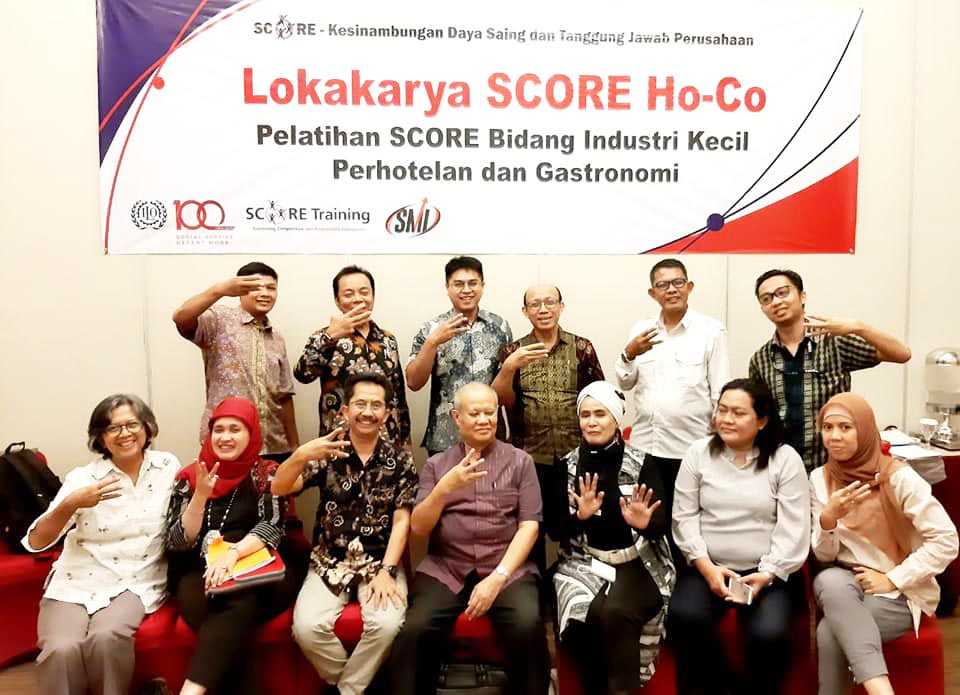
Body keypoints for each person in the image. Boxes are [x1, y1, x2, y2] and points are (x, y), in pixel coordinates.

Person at [389, 383, 550, 695]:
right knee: (415, 629)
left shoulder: (520, 462)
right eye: (474, 413)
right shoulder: (437, 465)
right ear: (456, 418)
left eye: (490, 412)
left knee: (527, 624)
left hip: (507, 568)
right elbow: (419, 528)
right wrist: (444, 489)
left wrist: (498, 578)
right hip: (447, 566)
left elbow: (529, 527)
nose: (484, 420)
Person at [271, 372, 419, 695]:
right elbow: (279, 487)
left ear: (386, 413)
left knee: (387, 625)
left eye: (376, 405)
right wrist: (300, 455)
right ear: (345, 410)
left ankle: (345, 690)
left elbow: (402, 522)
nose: (368, 412)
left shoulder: (401, 460)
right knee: (307, 628)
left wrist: (388, 570)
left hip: (379, 561)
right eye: (360, 404)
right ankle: (358, 685)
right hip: (329, 560)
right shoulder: (328, 451)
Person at [23, 394, 179, 695]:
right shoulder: (84, 478)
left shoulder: (167, 467)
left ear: (146, 427)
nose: (124, 433)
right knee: (61, 649)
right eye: (113, 428)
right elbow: (36, 541)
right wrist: (71, 503)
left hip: (134, 580)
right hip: (77, 578)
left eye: (132, 424)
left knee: (107, 638)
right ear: (100, 438)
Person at [810, 393, 958, 695]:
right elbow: (825, 554)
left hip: (901, 591)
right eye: (828, 427)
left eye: (846, 427)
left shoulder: (898, 477)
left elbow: (946, 541)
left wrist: (892, 578)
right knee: (828, 578)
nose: (834, 436)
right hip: (846, 581)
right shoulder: (819, 479)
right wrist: (828, 519)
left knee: (829, 633)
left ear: (865, 430)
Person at [670, 378, 810, 695]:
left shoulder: (784, 459)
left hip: (768, 573)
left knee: (769, 633)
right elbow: (684, 516)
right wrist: (706, 567)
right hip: (708, 567)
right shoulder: (699, 453)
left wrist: (768, 573)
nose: (727, 419)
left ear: (762, 420)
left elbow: (794, 527)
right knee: (684, 616)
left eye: (738, 412)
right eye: (722, 410)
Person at [164, 397, 301, 695]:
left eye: (235, 430)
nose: (225, 437)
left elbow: (272, 527)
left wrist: (233, 554)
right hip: (200, 572)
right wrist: (200, 497)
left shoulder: (267, 473)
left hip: (262, 567)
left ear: (251, 434)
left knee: (238, 603)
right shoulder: (190, 477)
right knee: (235, 619)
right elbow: (176, 541)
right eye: (219, 429)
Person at [550, 381, 675, 695]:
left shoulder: (643, 462)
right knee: (582, 613)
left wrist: (644, 524)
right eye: (585, 415)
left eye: (600, 414)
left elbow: (660, 525)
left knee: (615, 613)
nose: (591, 422)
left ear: (616, 418)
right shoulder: (566, 465)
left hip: (638, 561)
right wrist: (579, 517)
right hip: (582, 561)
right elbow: (555, 531)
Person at [614, 258, 729, 564]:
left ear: (689, 287)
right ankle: (654, 583)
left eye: (678, 282)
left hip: (690, 448)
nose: (672, 290)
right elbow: (625, 382)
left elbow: (720, 393)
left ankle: (688, 583)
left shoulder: (710, 331)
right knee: (650, 524)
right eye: (663, 285)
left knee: (686, 523)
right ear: (652, 293)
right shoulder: (642, 330)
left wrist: (719, 446)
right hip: (646, 448)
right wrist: (629, 353)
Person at [749, 268, 911, 471]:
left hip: (835, 467)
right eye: (766, 299)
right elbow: (760, 416)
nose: (776, 302)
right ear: (762, 308)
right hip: (784, 468)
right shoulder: (761, 359)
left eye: (782, 293)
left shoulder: (833, 341)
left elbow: (901, 354)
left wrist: (858, 327)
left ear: (802, 296)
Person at [492, 282, 604, 572]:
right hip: (529, 458)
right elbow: (499, 400)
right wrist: (509, 367)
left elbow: (599, 397)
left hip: (575, 457)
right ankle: (536, 588)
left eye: (550, 302)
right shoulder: (513, 351)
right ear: (525, 311)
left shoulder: (582, 348)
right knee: (532, 529)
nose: (543, 309)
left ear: (561, 307)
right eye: (535, 304)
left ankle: (577, 582)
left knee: (579, 525)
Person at [172, 262, 299, 459]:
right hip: (227, 443)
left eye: (271, 288)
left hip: (273, 446)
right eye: (256, 288)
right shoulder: (219, 319)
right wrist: (219, 290)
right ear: (240, 291)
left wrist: (295, 446)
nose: (265, 293)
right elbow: (180, 318)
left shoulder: (277, 338)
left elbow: (284, 396)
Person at [294, 265, 412, 450]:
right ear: (337, 301)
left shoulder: (388, 339)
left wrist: (404, 442)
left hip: (386, 441)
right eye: (348, 294)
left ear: (373, 296)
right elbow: (303, 375)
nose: (358, 298)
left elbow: (398, 396)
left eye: (364, 292)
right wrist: (329, 337)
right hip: (339, 440)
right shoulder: (323, 337)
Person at [406, 256, 512, 455]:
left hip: (489, 435)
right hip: (445, 437)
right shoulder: (431, 329)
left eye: (472, 283)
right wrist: (432, 343)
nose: (466, 290)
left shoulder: (500, 327)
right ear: (447, 287)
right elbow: (413, 382)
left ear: (482, 286)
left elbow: (506, 392)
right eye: (458, 284)